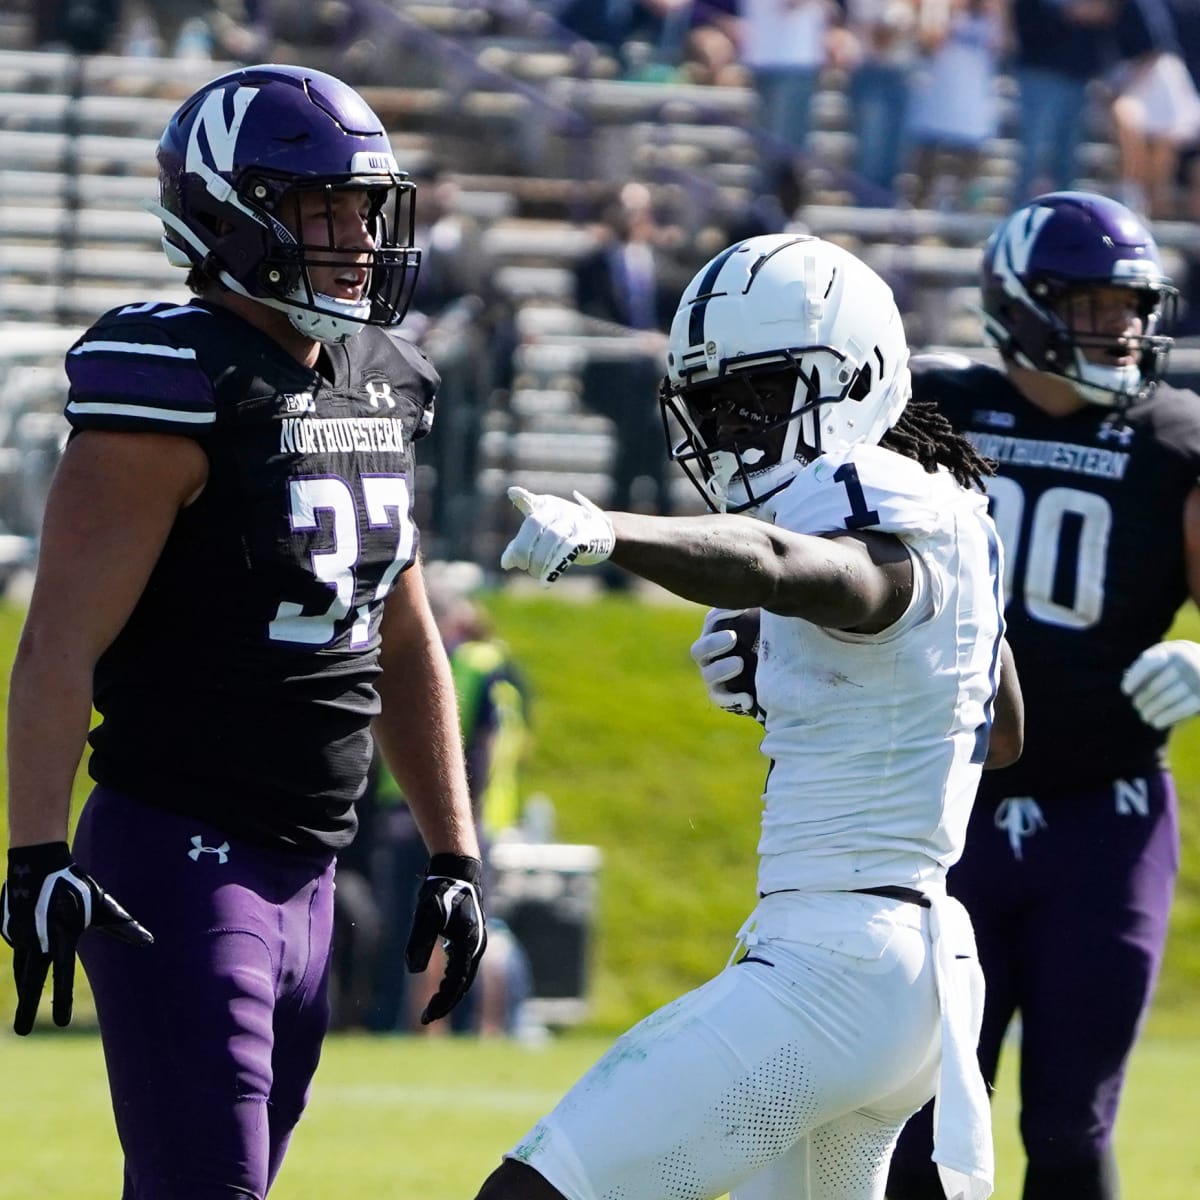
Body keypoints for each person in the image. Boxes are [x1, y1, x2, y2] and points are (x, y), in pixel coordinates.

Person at [0, 63, 487, 1199]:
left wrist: (455, 850)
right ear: (222, 213)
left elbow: (401, 634)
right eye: (317, 205)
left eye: (362, 207)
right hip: (181, 860)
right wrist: (31, 856)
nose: (353, 236)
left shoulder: (377, 381)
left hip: (311, 874)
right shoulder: (173, 382)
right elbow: (57, 641)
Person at [480, 231, 1023, 1200]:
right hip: (905, 970)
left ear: (852, 378)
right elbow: (1003, 724)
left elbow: (789, 565)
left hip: (835, 968)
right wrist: (809, 662)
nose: (731, 431)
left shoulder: (873, 508)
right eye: (714, 406)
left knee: (538, 1191)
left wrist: (614, 530)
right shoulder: (949, 515)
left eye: (756, 399)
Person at [691, 196, 1193, 1200]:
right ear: (1023, 306)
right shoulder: (932, 416)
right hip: (944, 817)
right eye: (1092, 306)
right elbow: (824, 558)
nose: (1120, 329)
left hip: (1105, 814)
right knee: (917, 1123)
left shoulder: (1175, 438)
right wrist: (759, 633)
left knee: (1068, 1124)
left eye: (1129, 307)